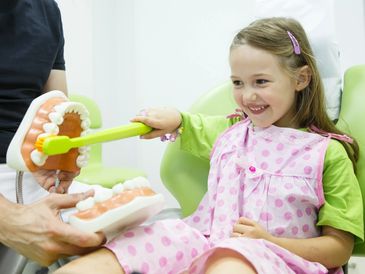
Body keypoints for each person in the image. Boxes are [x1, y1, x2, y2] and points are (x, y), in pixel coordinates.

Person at [55, 17, 363, 274]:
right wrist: (172, 118)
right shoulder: (231, 131)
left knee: (230, 263)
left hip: (279, 259)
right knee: (140, 242)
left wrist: (269, 240)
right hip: (205, 241)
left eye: (261, 82)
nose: (247, 95)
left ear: (301, 79)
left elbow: (338, 250)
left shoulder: (326, 153)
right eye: (238, 82)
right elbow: (191, 125)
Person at [0, 0, 104, 267]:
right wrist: (7, 218)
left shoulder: (46, 9)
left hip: (30, 174)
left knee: (134, 231)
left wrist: (60, 159)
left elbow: (56, 108)